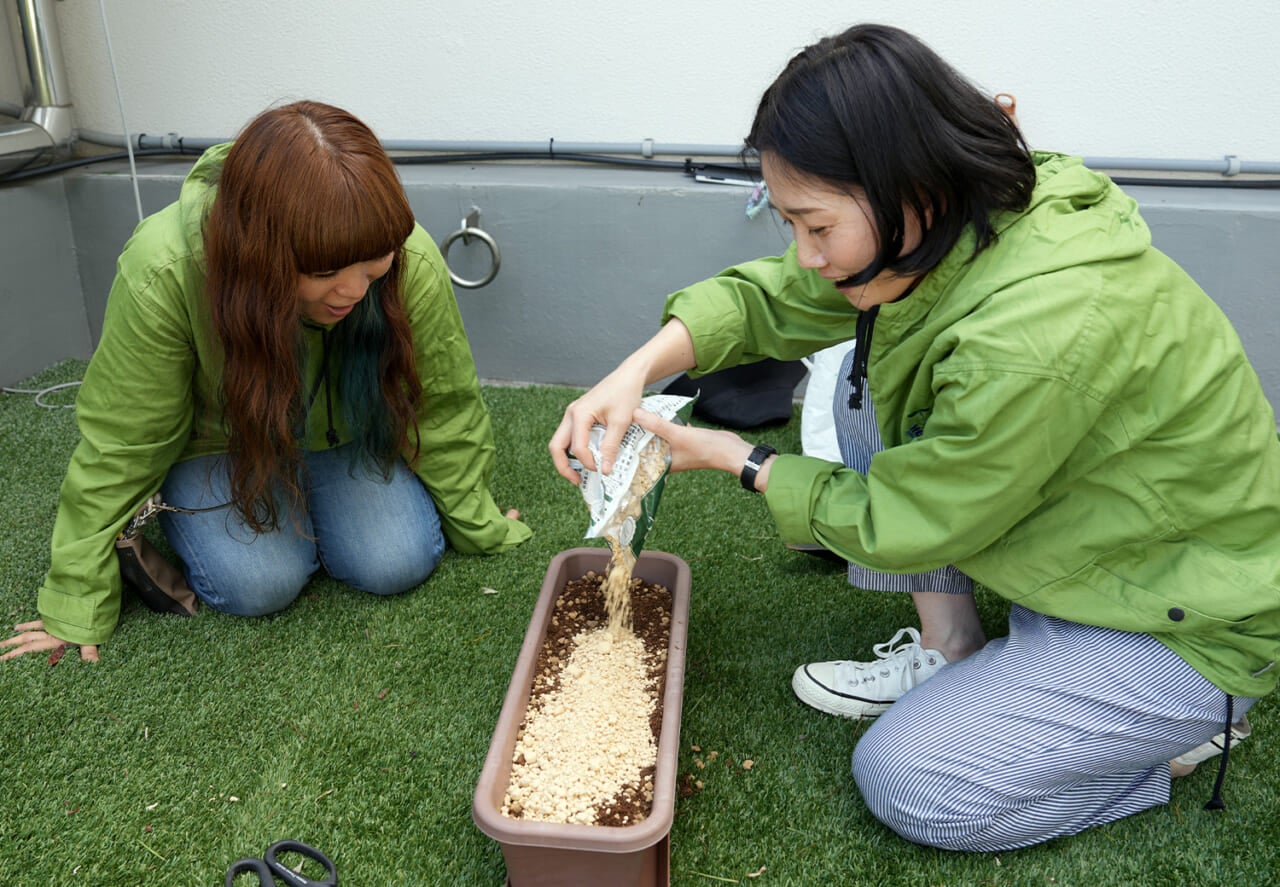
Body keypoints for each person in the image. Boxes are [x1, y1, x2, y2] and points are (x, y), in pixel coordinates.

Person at [550, 24, 1280, 851]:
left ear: (911, 191)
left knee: (911, 779)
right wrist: (637, 369)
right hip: (1089, 550)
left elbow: (906, 521)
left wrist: (738, 457)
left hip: (1178, 621)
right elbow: (771, 300)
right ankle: (956, 646)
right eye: (791, 223)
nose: (806, 254)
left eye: (816, 226)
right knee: (870, 381)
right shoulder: (964, 218)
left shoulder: (1034, 333)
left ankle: (1167, 741)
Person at [3, 101, 529, 664]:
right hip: (221, 445)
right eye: (325, 271)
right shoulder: (166, 268)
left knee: (396, 562)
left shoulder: (407, 257)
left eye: (371, 262)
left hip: (345, 438)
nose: (353, 291)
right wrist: (75, 599)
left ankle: (317, 518)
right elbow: (124, 436)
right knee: (257, 585)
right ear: (259, 254)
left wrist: (480, 520)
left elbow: (442, 403)